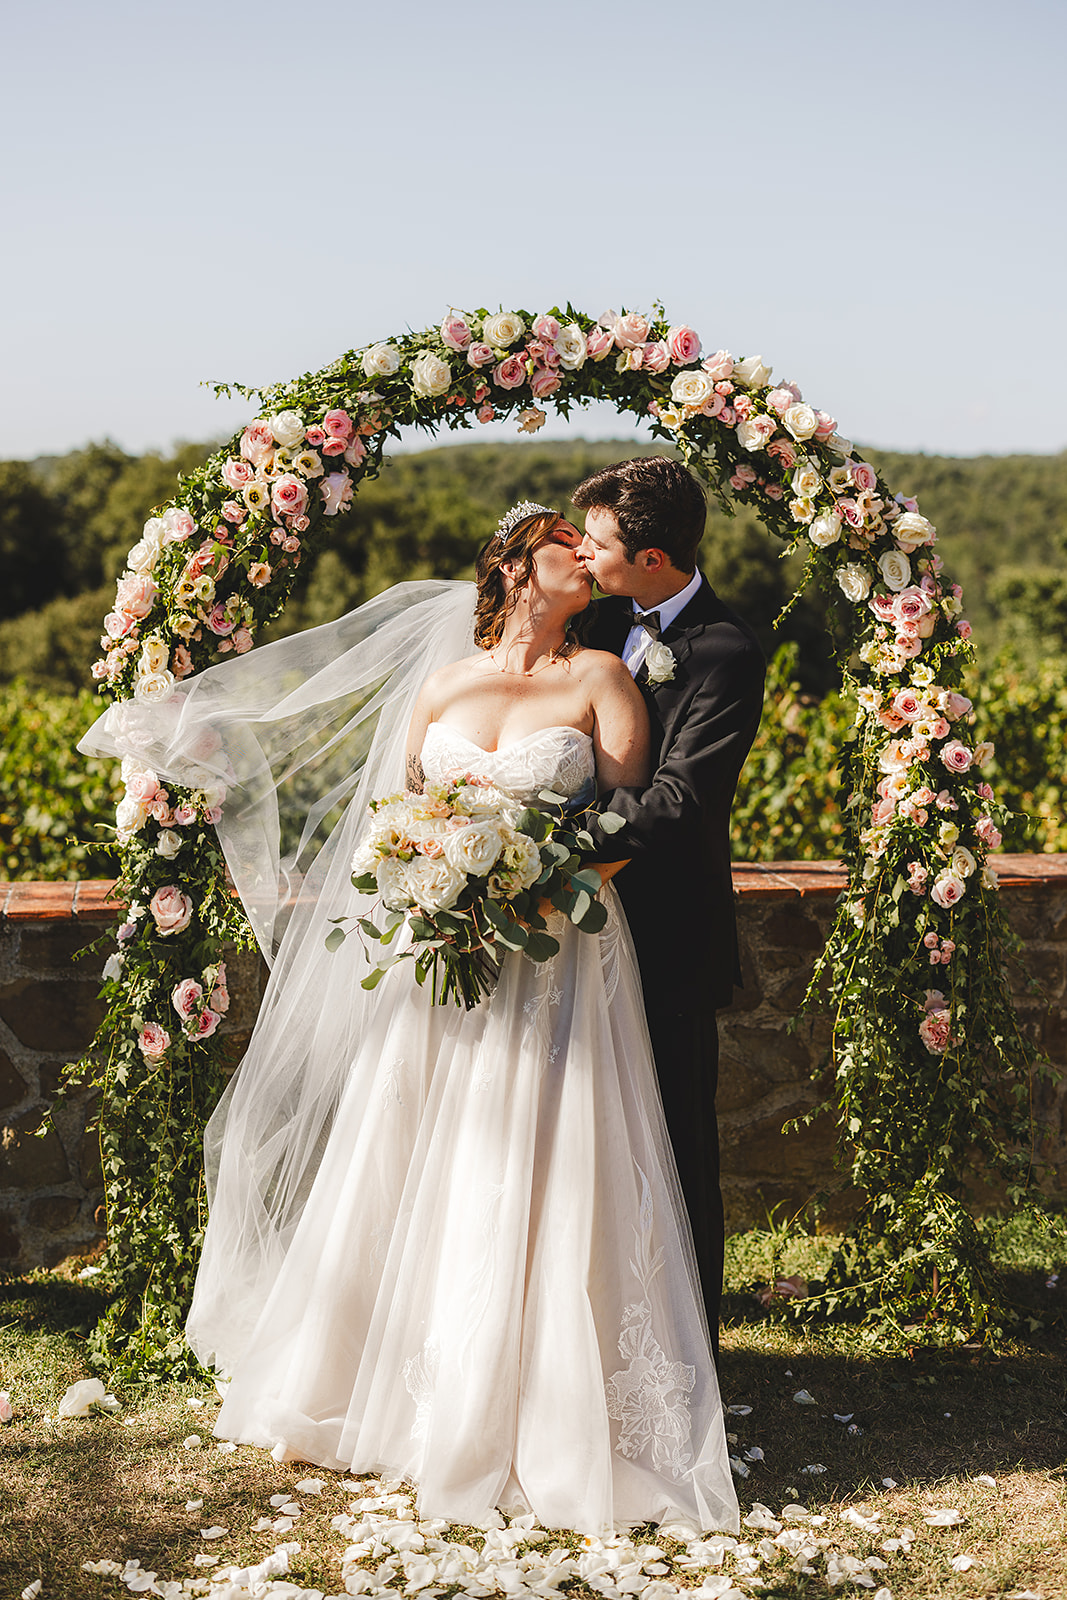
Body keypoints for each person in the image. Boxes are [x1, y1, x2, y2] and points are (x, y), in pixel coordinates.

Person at [85, 503, 740, 1535]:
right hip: (444, 953)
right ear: (515, 567)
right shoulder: (439, 684)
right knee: (422, 1149)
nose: (580, 552)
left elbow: (627, 817)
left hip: (560, 950)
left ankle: (538, 1404)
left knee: (548, 1156)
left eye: (588, 541)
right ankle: (400, 1391)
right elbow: (394, 816)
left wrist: (538, 878)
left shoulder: (601, 677)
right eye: (561, 542)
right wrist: (428, 879)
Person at [573, 458, 766, 1351]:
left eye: (600, 542)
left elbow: (684, 802)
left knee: (678, 1143)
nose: (584, 553)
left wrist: (554, 841)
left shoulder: (725, 650)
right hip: (576, 933)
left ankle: (695, 1348)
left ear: (651, 558)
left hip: (666, 935)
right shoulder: (602, 619)